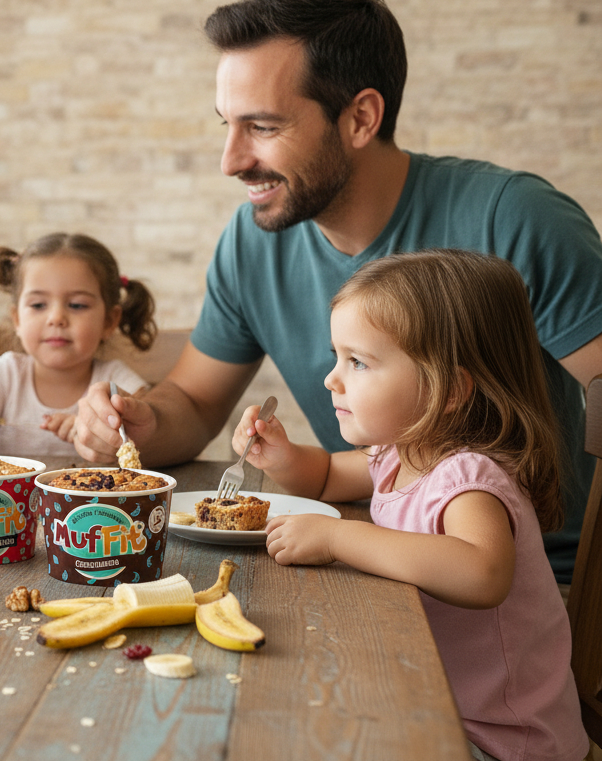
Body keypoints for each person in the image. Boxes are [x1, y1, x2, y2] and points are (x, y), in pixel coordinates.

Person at [73, 0, 602, 584]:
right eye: (227, 125)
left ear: (360, 118)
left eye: (263, 127)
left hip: (540, 587)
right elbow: (192, 404)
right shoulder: (252, 241)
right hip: (370, 562)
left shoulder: (515, 218)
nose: (231, 161)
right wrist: (140, 422)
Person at [238, 250, 588, 761]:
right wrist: (282, 457)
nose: (332, 378)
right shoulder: (399, 452)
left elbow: (483, 573)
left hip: (501, 739)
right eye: (337, 356)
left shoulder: (468, 478)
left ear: (448, 390)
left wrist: (339, 537)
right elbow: (328, 476)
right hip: (428, 697)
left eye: (358, 362)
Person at [0, 233, 157, 457]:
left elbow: (152, 439)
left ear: (109, 321)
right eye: (38, 305)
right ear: (17, 320)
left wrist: (98, 432)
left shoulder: (116, 383)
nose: (56, 318)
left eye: (77, 305)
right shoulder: (6, 375)